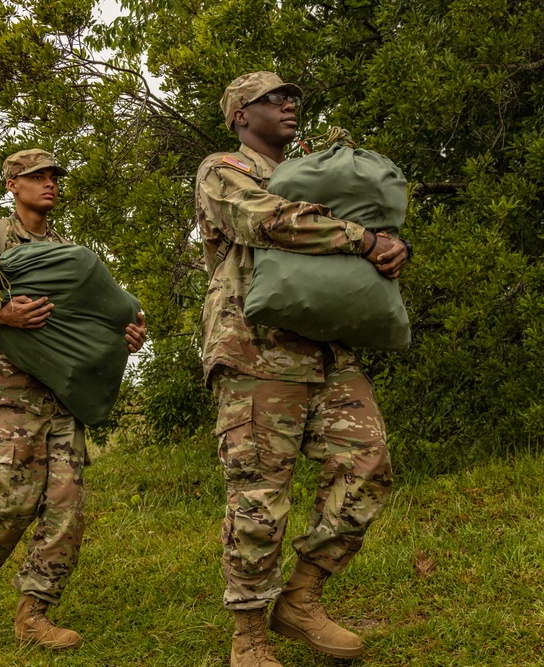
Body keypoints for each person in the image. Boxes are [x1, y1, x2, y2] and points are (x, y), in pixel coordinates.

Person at [195, 71, 409, 666]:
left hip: (328, 350)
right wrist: (361, 239)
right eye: (274, 98)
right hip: (254, 347)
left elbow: (372, 226)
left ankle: (301, 598)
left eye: (294, 98)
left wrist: (394, 246)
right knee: (260, 491)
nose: (290, 105)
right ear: (241, 114)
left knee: (368, 465)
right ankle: (249, 636)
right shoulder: (222, 170)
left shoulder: (314, 173)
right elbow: (265, 221)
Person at [0, 148, 147, 650]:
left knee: (66, 506)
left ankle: (34, 612)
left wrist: (125, 335)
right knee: (9, 498)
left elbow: (92, 316)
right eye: (37, 176)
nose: (48, 183)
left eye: (53, 176)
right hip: (9, 388)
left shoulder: (69, 250)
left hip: (64, 394)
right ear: (12, 184)